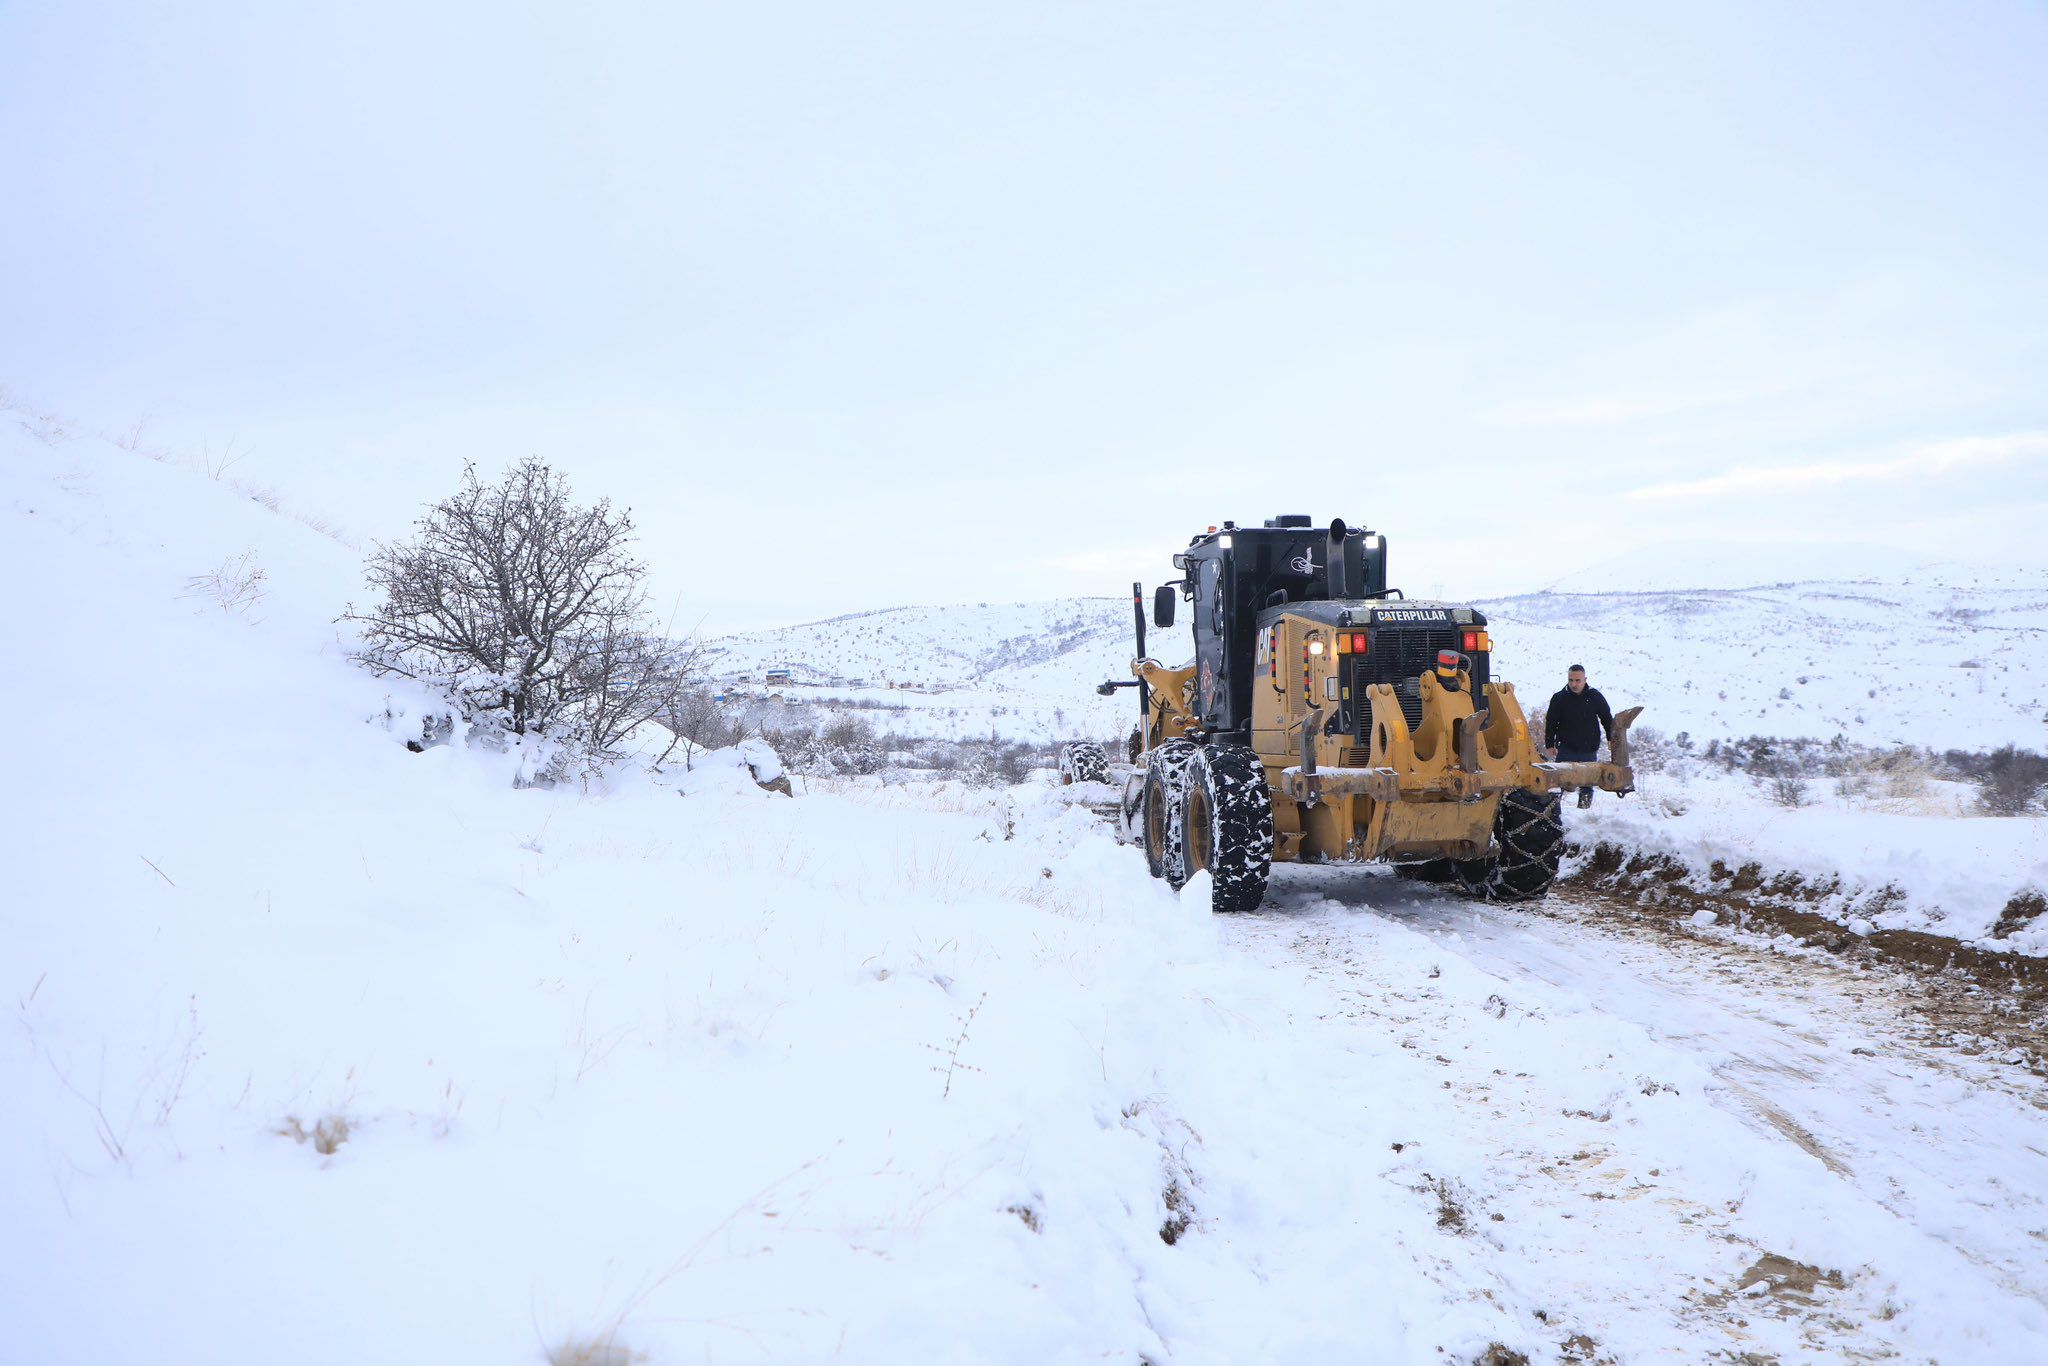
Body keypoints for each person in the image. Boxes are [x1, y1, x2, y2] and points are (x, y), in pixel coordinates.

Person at [1545, 664, 1615, 808]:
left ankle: (1583, 811)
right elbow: (1551, 722)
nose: (1574, 684)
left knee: (1587, 784)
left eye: (1577, 680)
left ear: (1585, 679)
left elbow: (1607, 718)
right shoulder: (1559, 698)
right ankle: (1554, 812)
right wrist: (1549, 744)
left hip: (1588, 747)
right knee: (1559, 783)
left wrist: (1611, 738)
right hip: (1566, 747)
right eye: (1571, 680)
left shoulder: (1595, 696)